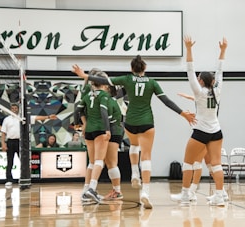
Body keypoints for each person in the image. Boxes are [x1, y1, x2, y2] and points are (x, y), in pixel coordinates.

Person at [72, 56, 195, 209]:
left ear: (132, 68)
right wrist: (183, 114)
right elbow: (167, 101)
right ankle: (145, 191)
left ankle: (134, 173)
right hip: (144, 122)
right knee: (145, 156)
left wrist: (85, 76)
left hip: (129, 122)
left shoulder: (126, 79)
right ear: (145, 68)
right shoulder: (152, 82)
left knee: (132, 146)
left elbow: (102, 84)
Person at [171, 36, 227, 207]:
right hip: (216, 131)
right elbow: (220, 70)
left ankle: (186, 195)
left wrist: (188, 49)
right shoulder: (217, 90)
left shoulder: (199, 92)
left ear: (201, 81)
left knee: (188, 163)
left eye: (198, 78)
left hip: (201, 132)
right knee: (216, 165)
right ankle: (219, 195)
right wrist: (223, 51)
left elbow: (189, 70)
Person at [80, 70, 124, 202]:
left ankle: (116, 191)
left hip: (113, 130)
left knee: (110, 162)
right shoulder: (94, 96)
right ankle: (88, 190)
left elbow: (111, 118)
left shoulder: (109, 99)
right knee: (97, 161)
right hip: (102, 130)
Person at [77, 71, 111, 203]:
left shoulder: (87, 95)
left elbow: (78, 110)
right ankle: (92, 188)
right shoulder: (103, 95)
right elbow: (103, 111)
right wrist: (107, 129)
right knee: (99, 161)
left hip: (89, 129)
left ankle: (85, 192)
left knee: (92, 162)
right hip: (100, 129)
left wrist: (84, 124)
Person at [0, 103, 20, 187]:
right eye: (13, 108)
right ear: (10, 109)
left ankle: (23, 177)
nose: (14, 109)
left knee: (23, 161)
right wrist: (3, 143)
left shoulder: (21, 119)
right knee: (10, 161)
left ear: (18, 109)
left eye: (16, 108)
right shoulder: (7, 119)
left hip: (20, 142)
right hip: (10, 142)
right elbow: (3, 133)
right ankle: (9, 179)